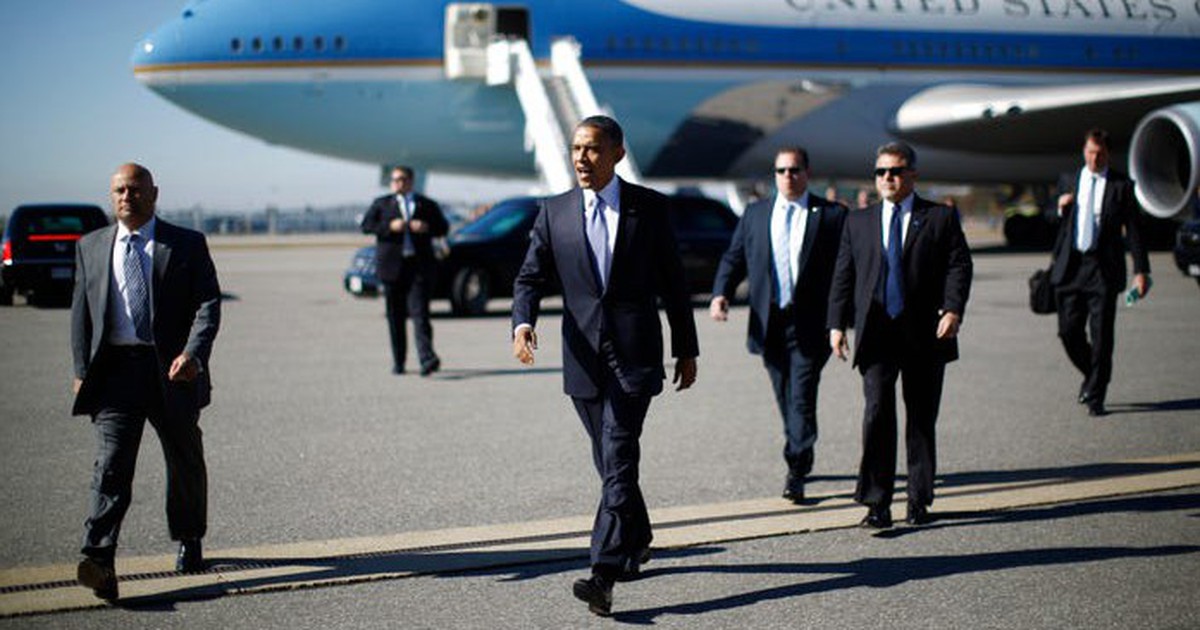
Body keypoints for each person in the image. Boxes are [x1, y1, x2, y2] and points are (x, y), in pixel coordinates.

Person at [511, 115, 699, 616]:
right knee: (609, 461)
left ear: (616, 152)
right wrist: (522, 324)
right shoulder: (555, 212)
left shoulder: (649, 208)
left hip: (635, 355)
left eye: (592, 149)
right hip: (582, 360)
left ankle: (603, 573)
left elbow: (674, 285)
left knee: (617, 454)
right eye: (575, 149)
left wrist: (686, 347)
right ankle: (636, 537)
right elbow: (529, 278)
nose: (580, 159)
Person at [71, 163, 222, 601]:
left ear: (153, 193)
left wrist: (193, 354)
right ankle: (99, 561)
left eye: (135, 190)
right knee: (111, 465)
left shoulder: (186, 244)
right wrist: (81, 371)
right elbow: (80, 315)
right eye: (119, 190)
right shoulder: (91, 246)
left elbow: (208, 304)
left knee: (184, 459)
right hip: (115, 374)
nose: (126, 197)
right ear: (110, 194)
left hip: (171, 372)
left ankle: (189, 536)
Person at [827, 142, 972, 530]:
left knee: (921, 418)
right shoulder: (857, 222)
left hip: (925, 333)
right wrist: (837, 325)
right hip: (876, 334)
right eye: (880, 172)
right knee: (876, 414)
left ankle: (919, 499)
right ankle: (876, 503)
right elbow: (843, 276)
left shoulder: (939, 218)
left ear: (912, 175)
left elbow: (959, 265)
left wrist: (953, 309)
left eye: (895, 171)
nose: (887, 178)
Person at [710, 147, 847, 504]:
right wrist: (720, 293)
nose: (788, 176)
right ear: (775, 174)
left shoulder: (830, 215)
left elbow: (844, 271)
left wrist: (842, 320)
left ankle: (796, 469)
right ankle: (801, 444)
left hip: (811, 324)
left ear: (807, 172)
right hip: (768, 322)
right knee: (784, 395)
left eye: (795, 169)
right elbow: (734, 256)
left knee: (801, 396)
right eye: (781, 170)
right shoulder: (756, 214)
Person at [1050, 128, 1151, 417]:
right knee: (1068, 331)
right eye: (1090, 152)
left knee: (1102, 335)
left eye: (1101, 153)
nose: (1095, 158)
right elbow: (1053, 218)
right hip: (1072, 266)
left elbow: (1134, 231)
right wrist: (1059, 207)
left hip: (1103, 269)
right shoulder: (1069, 181)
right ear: (1084, 152)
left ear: (1108, 154)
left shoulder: (1121, 185)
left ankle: (1096, 395)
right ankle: (1093, 375)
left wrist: (1141, 271)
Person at [360, 165, 449, 375]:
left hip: (418, 267)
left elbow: (443, 228)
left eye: (401, 179)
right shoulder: (382, 204)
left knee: (421, 315)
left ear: (410, 181)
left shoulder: (426, 204)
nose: (397, 183)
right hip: (392, 269)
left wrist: (426, 227)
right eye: (394, 180)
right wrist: (390, 227)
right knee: (395, 317)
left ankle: (427, 359)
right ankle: (399, 361)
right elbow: (366, 226)